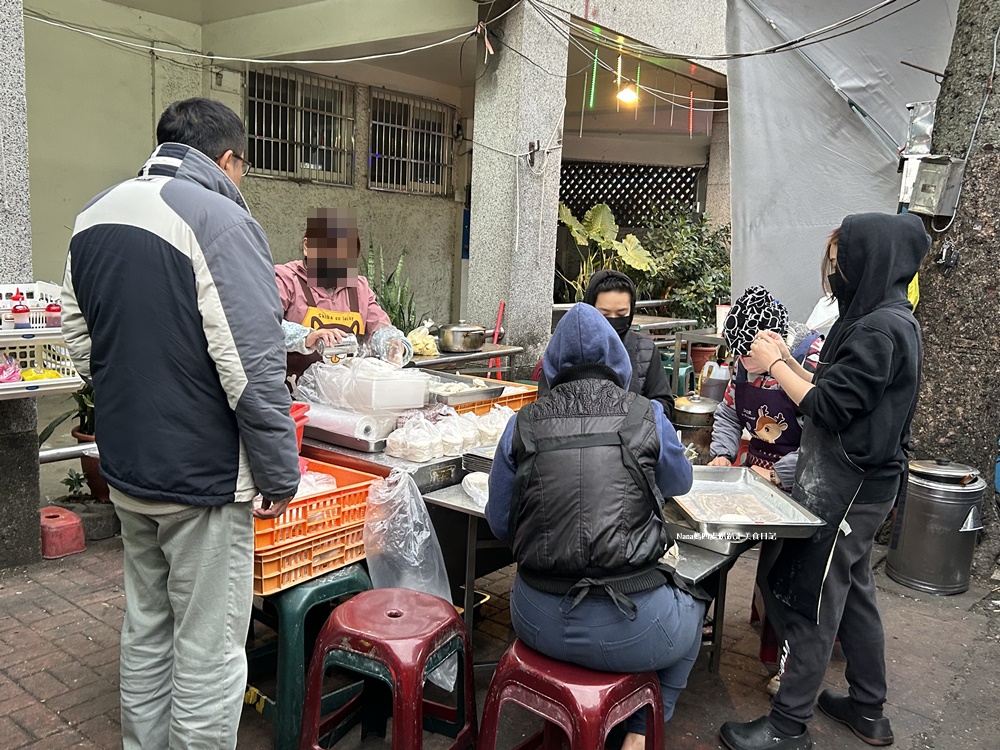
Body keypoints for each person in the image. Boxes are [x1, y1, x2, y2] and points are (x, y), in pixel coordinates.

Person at [60, 98, 300, 750]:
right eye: (242, 166)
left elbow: (80, 341)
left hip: (128, 466)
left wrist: (135, 398)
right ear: (227, 159)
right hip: (201, 478)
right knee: (210, 646)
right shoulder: (219, 218)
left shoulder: (93, 214)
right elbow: (251, 366)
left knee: (146, 624)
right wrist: (280, 469)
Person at [719, 212, 929, 750]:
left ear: (871, 261)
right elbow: (838, 388)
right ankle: (867, 708)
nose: (834, 273)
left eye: (841, 262)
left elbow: (831, 408)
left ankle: (788, 727)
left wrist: (774, 366)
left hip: (851, 486)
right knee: (855, 591)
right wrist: (787, 359)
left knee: (815, 598)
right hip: (854, 482)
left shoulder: (883, 328)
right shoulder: (871, 320)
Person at [488, 303, 703, 750]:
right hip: (632, 627)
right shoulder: (646, 415)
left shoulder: (521, 424)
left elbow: (500, 524)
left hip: (535, 618)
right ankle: (640, 735)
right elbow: (679, 481)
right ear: (617, 359)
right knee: (693, 613)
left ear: (549, 365)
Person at [707, 287, 824, 692]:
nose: (743, 365)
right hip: (752, 474)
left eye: (749, 355)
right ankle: (699, 617)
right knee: (713, 546)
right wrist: (722, 454)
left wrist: (780, 474)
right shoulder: (741, 366)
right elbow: (726, 413)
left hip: (797, 482)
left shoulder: (806, 361)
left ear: (771, 342)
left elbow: (819, 438)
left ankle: (787, 662)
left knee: (780, 574)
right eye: (737, 355)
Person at [275, 207, 411, 382]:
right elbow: (263, 325)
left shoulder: (359, 287)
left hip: (344, 396)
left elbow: (380, 326)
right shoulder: (286, 279)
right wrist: (307, 337)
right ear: (307, 246)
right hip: (293, 396)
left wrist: (394, 344)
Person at [536, 270, 676, 419]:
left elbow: (664, 403)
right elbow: (546, 402)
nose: (613, 320)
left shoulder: (644, 350)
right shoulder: (566, 349)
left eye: (622, 314)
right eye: (604, 315)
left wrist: (637, 420)